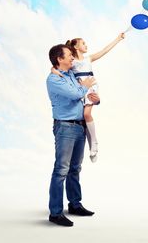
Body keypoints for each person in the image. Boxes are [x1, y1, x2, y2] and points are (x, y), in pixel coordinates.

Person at [47, 44, 99, 227]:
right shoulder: (54, 80)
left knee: (75, 169)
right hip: (65, 128)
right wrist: (84, 86)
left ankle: (75, 205)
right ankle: (55, 213)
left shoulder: (67, 74)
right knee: (61, 170)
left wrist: (95, 99)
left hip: (79, 127)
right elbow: (75, 93)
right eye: (69, 56)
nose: (72, 58)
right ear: (59, 59)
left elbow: (84, 94)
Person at [53, 33, 125, 162]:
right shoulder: (71, 61)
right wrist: (54, 70)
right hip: (79, 88)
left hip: (91, 85)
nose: (86, 45)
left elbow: (104, 51)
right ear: (75, 46)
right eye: (83, 43)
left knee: (87, 114)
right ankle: (90, 146)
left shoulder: (88, 59)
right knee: (82, 119)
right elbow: (57, 67)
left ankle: (94, 144)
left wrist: (118, 39)